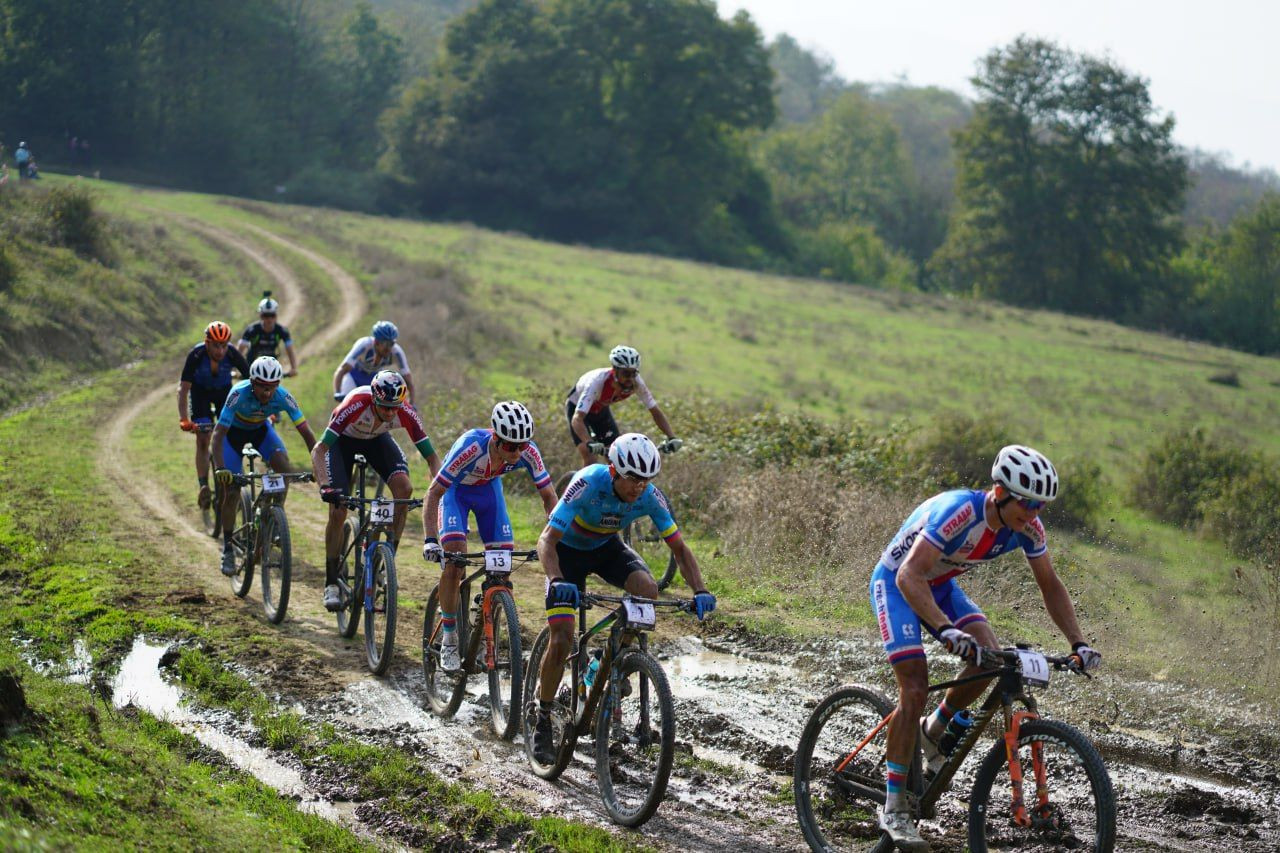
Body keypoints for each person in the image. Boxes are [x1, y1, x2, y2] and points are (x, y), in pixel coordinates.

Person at [868, 444, 1102, 850]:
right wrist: (945, 631)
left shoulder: (1029, 528)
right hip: (898, 583)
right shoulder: (960, 512)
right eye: (1027, 503)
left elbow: (1050, 584)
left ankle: (933, 732)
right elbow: (909, 574)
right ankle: (893, 808)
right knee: (915, 688)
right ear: (999, 491)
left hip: (939, 586)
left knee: (988, 657)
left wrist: (1078, 642)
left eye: (1040, 506)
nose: (1032, 514)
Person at [529, 433, 716, 763]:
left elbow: (680, 549)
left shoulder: (649, 496)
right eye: (632, 479)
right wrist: (557, 580)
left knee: (647, 591)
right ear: (614, 471)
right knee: (562, 637)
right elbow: (547, 540)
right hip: (566, 554)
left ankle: (608, 658)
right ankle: (542, 718)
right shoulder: (587, 483)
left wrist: (699, 589)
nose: (638, 488)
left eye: (645, 480)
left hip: (605, 550)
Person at [422, 401, 558, 671]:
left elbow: (549, 497)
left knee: (503, 566)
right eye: (510, 446)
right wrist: (430, 539)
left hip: (488, 494)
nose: (517, 453)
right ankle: (449, 636)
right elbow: (434, 492)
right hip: (456, 493)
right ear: (495, 438)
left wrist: (555, 539)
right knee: (455, 560)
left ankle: (486, 628)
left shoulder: (527, 451)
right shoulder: (471, 446)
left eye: (522, 446)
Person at [313, 371, 441, 612]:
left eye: (395, 408)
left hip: (376, 441)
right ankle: (331, 581)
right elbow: (319, 450)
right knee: (338, 510)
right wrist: (324, 485)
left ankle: (386, 561)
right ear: (374, 399)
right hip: (342, 443)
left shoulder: (404, 410)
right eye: (385, 407)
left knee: (404, 490)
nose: (391, 413)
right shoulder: (355, 404)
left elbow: (432, 457)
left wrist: (439, 488)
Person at [211, 357, 317, 576]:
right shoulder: (238, 393)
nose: (267, 393)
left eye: (272, 387)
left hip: (261, 432)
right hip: (233, 436)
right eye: (262, 386)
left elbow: (307, 433)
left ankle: (275, 515)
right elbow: (218, 434)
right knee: (230, 491)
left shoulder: (284, 397)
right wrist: (221, 468)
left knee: (284, 469)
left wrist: (319, 466)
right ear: (252, 381)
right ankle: (228, 547)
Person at [178, 321, 252, 511]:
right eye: (216, 345)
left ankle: (232, 475)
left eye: (224, 345)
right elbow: (184, 388)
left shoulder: (233, 353)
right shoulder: (196, 354)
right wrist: (184, 419)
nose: (220, 350)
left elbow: (252, 381)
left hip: (223, 395)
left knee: (229, 434)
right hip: (200, 395)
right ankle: (203, 485)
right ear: (207, 343)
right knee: (203, 439)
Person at [566, 345, 680, 467]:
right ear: (615, 370)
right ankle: (578, 485)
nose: (630, 378)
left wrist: (671, 437)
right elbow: (577, 419)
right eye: (626, 373)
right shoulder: (597, 382)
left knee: (616, 459)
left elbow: (655, 412)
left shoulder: (637, 383)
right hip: (578, 409)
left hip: (601, 411)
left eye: (634, 373)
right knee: (590, 457)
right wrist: (588, 442)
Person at [333, 321, 415, 405]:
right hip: (354, 376)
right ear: (376, 342)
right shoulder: (364, 345)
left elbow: (407, 379)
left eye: (392, 343)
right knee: (347, 405)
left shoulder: (397, 352)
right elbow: (343, 369)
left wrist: (412, 402)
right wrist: (338, 392)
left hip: (373, 379)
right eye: (386, 344)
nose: (389, 348)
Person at [238, 292, 298, 375]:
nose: (269, 319)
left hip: (272, 367)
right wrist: (236, 368)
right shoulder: (251, 329)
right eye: (265, 316)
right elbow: (240, 350)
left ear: (276, 315)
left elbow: (290, 350)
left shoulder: (282, 331)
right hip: (251, 367)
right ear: (260, 315)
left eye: (272, 315)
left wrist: (293, 368)